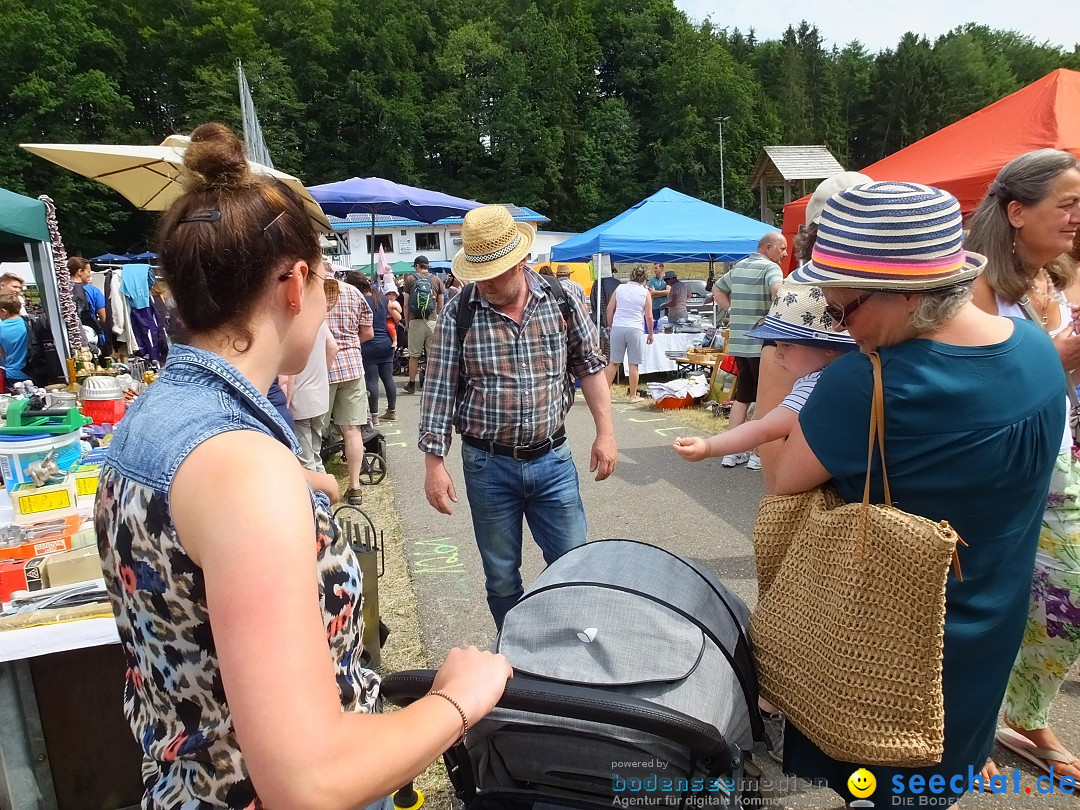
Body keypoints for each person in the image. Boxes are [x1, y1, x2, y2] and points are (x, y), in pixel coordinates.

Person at [94, 122, 511, 810]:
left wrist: (288, 491)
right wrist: (458, 701)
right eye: (325, 283)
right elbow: (308, 783)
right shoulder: (240, 468)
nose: (328, 301)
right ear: (292, 284)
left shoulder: (158, 414)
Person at [763, 181, 1063, 806]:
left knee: (881, 790)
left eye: (844, 310)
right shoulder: (1038, 352)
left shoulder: (867, 383)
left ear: (906, 293)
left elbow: (781, 479)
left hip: (888, 656)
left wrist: (779, 370)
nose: (842, 327)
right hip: (986, 634)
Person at [419, 205, 617, 630]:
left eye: (496, 272)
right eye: (480, 273)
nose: (487, 282)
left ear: (521, 260)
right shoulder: (459, 312)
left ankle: (573, 645)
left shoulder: (561, 299)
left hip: (553, 461)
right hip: (487, 465)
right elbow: (438, 391)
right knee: (502, 575)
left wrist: (606, 433)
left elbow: (589, 366)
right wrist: (433, 464)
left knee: (573, 563)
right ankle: (518, 657)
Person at [965, 149, 1080, 783]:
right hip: (1001, 472)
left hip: (1057, 459)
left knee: (1067, 593)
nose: (1076, 218)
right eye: (1066, 204)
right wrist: (1056, 356)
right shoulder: (974, 285)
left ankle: (1024, 711)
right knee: (986, 600)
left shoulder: (1047, 281)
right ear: (1016, 212)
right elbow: (972, 388)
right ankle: (974, 725)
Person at [673, 280, 856, 464]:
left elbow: (763, 429)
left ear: (828, 347)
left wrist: (709, 447)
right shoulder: (855, 374)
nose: (777, 353)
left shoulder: (813, 385)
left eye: (787, 344)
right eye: (776, 344)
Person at [710, 233, 786, 470]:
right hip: (762, 345)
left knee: (742, 396)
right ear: (768, 247)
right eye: (782, 249)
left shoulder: (739, 266)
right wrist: (776, 313)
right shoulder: (770, 268)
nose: (785, 253)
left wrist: (732, 310)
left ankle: (732, 452)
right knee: (765, 398)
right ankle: (757, 454)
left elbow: (717, 289)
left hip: (739, 344)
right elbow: (779, 291)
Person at [326, 273, 375, 505]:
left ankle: (317, 486)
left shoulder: (312, 291)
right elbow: (368, 332)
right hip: (353, 367)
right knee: (352, 430)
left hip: (322, 368)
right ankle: (355, 487)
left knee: (315, 430)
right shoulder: (353, 292)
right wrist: (349, 344)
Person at [351, 272, 398, 424]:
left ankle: (375, 416)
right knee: (388, 378)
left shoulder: (359, 300)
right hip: (386, 342)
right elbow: (395, 316)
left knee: (371, 381)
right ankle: (392, 411)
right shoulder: (382, 298)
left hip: (368, 344)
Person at [604, 264, 653, 403]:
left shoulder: (620, 288)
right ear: (645, 278)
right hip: (635, 328)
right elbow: (649, 316)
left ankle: (605, 393)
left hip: (618, 326)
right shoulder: (645, 292)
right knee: (633, 364)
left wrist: (610, 325)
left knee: (613, 362)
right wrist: (650, 333)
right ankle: (633, 395)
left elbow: (609, 309)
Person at [402, 255, 445, 394]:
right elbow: (441, 304)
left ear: (417, 266)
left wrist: (407, 322)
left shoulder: (410, 279)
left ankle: (411, 384)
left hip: (415, 321)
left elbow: (406, 304)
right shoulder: (437, 280)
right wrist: (436, 317)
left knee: (414, 355)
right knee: (432, 356)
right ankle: (433, 384)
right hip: (432, 321)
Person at [0, 294, 30, 390]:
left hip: (11, 374)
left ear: (4, 311)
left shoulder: (1, 327)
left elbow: (2, 354)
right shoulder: (29, 323)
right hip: (31, 372)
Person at [648, 263, 668, 327]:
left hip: (666, 307)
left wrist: (655, 292)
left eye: (656, 268)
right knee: (656, 326)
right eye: (654, 268)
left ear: (662, 268)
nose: (654, 270)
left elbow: (669, 291)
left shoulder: (668, 278)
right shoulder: (652, 280)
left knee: (666, 326)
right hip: (655, 307)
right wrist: (664, 294)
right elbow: (651, 293)